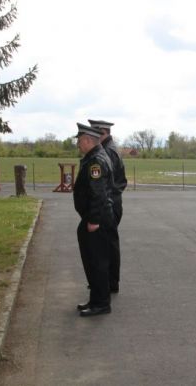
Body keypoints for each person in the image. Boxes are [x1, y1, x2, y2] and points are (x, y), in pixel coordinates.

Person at [73, 123, 117, 316]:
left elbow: (98, 194)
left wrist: (93, 220)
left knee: (97, 261)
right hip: (95, 217)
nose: (78, 144)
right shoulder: (94, 157)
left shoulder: (95, 162)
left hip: (97, 219)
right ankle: (96, 299)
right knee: (92, 259)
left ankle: (101, 303)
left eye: (80, 141)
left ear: (89, 140)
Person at [89, 119, 128, 293]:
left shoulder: (108, 151)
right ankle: (108, 282)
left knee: (107, 246)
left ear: (101, 133)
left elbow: (106, 184)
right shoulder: (110, 148)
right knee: (108, 244)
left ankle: (110, 283)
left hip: (110, 203)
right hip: (112, 201)